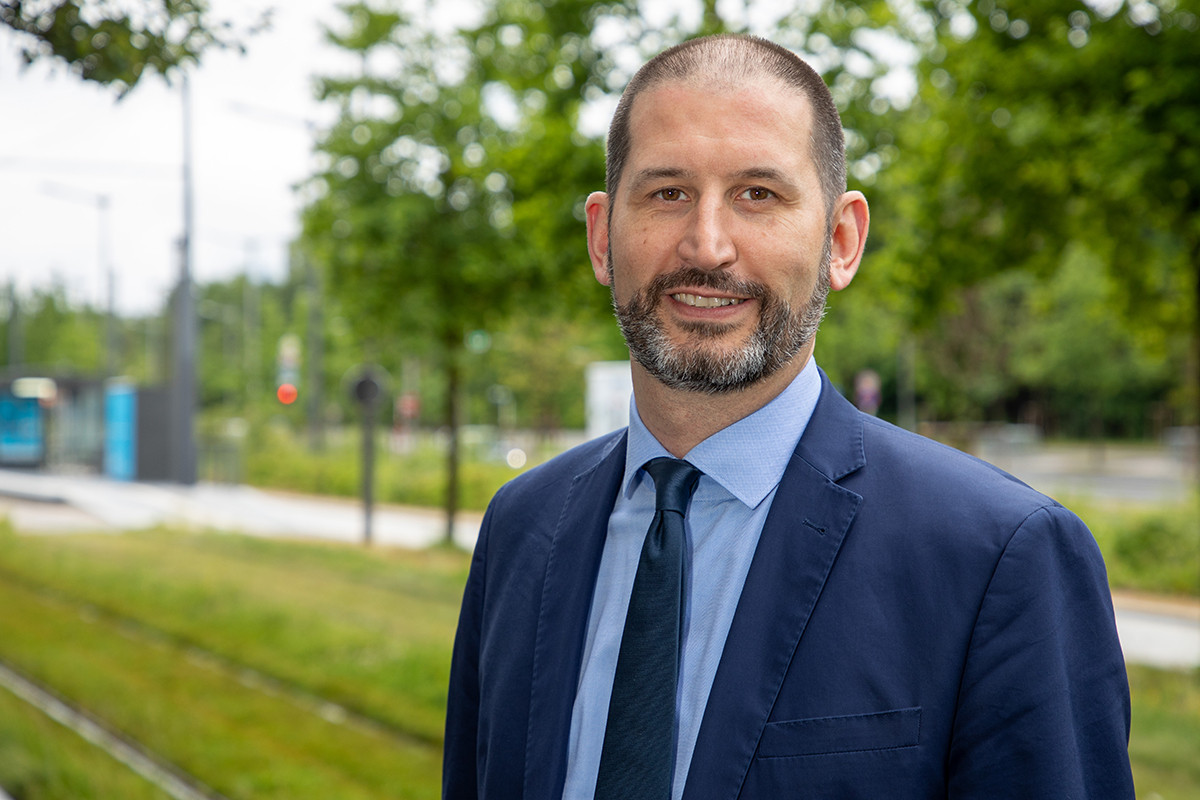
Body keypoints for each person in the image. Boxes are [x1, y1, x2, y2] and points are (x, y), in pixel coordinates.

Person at [442, 33, 1134, 799]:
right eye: (668, 193)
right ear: (602, 238)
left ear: (841, 241)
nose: (707, 246)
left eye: (758, 195)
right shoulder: (521, 527)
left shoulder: (999, 557)